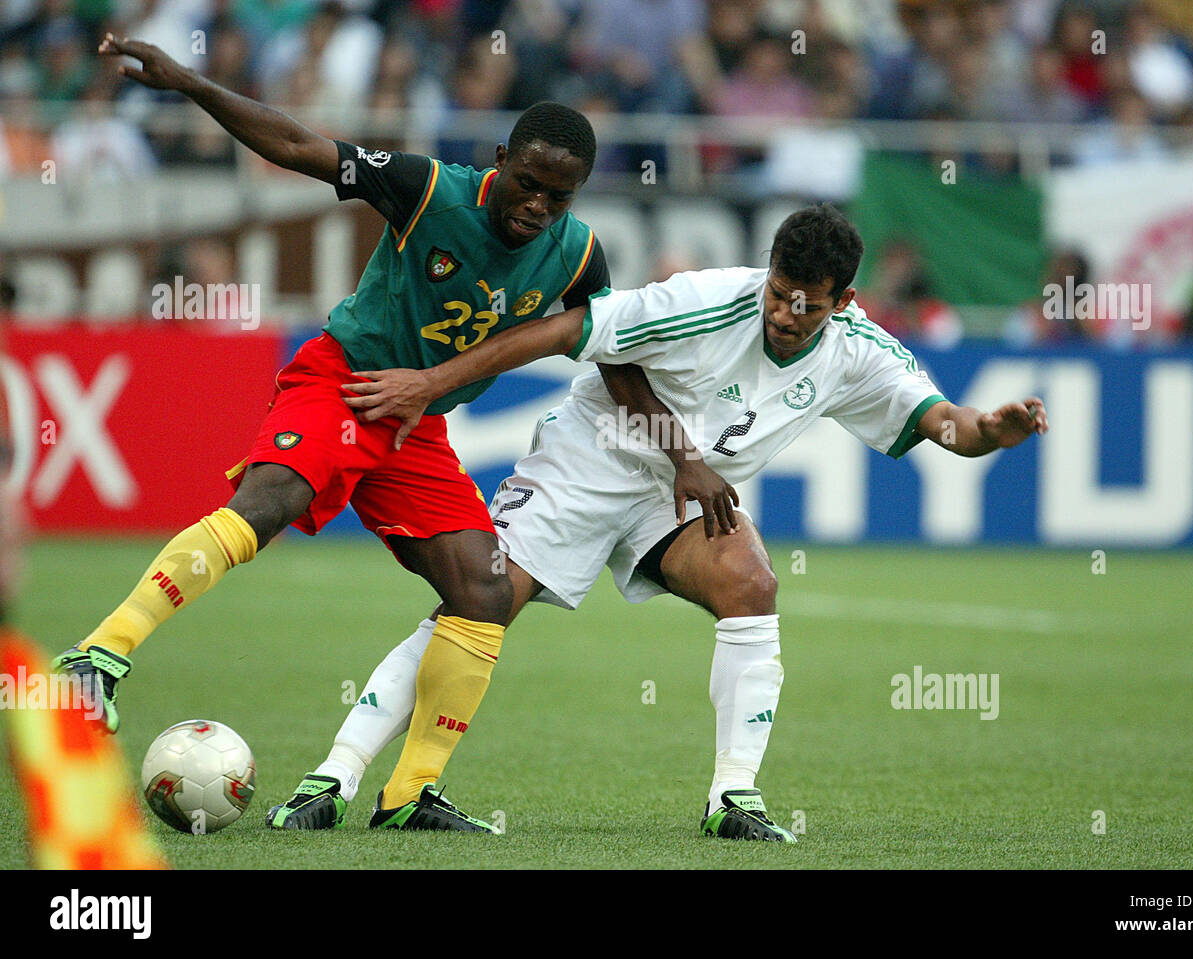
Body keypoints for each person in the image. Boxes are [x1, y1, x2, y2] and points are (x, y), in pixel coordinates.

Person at [55, 34, 701, 834]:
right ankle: (99, 655)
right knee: (274, 498)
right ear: (501, 159)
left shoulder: (578, 258)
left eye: (557, 198)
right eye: (528, 184)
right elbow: (298, 145)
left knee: (485, 592)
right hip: (346, 383)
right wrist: (187, 82)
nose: (537, 206)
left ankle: (408, 795)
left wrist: (684, 456)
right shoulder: (428, 188)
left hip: (415, 427)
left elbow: (614, 360)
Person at [269, 205, 1048, 840]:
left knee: (752, 583)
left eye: (806, 303)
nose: (785, 312)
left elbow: (946, 423)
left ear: (843, 301)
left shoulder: (857, 352)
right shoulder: (705, 299)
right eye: (778, 292)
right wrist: (432, 381)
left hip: (679, 498)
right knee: (484, 599)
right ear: (767, 273)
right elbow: (563, 332)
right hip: (592, 457)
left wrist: (992, 432)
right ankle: (336, 774)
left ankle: (733, 798)